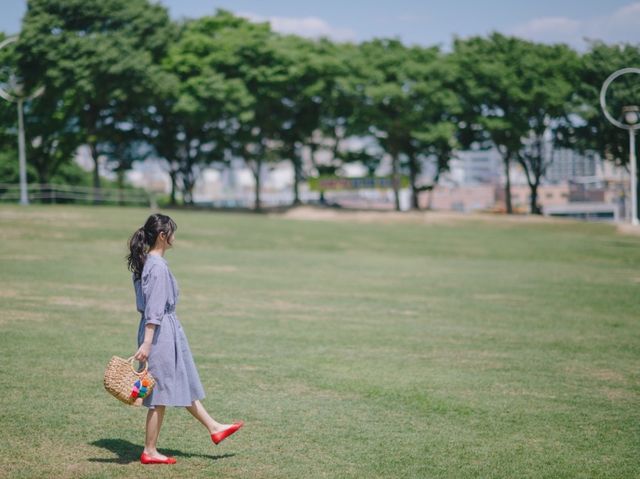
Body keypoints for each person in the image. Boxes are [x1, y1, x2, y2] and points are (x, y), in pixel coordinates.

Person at [126, 213, 243, 465]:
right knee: (158, 392)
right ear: (162, 235)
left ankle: (214, 428)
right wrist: (147, 342)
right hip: (158, 333)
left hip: (163, 330)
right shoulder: (157, 267)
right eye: (172, 231)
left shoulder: (150, 263)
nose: (175, 236)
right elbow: (154, 309)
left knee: (179, 380)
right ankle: (150, 451)